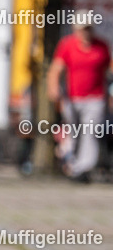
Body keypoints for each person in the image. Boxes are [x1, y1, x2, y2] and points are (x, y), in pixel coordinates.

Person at [47, 14, 112, 182]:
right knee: (74, 133)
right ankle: (72, 165)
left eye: (88, 28)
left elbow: (110, 69)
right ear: (76, 30)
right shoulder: (67, 45)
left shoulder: (101, 47)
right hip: (72, 97)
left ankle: (83, 169)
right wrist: (54, 87)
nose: (85, 32)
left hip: (96, 98)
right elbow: (56, 68)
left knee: (90, 132)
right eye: (82, 29)